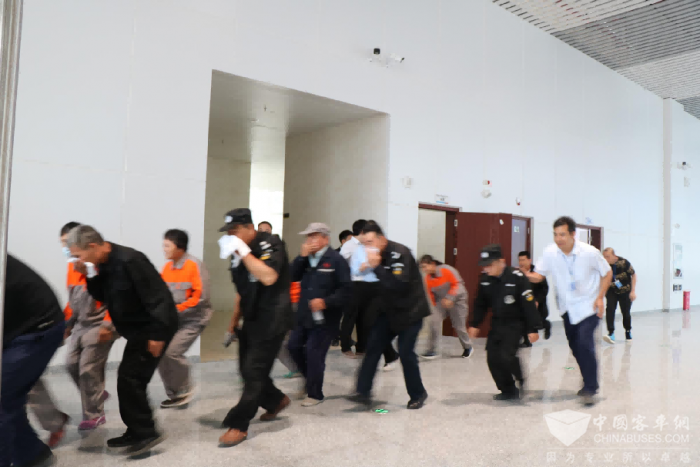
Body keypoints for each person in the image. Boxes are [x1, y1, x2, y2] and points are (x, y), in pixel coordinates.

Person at [67, 225, 178, 456]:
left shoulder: (131, 260)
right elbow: (101, 296)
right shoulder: (102, 264)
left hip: (152, 327)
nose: (76, 260)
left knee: (131, 379)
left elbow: (158, 298)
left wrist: (157, 335)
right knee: (128, 379)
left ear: (92, 246)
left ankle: (146, 432)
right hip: (137, 330)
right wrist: (89, 274)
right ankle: (137, 430)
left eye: (78, 255)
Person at [218, 208, 293, 447]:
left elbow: (268, 277)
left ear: (249, 228)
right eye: (228, 232)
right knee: (245, 369)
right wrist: (233, 324)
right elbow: (241, 293)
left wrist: (243, 251)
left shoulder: (270, 243)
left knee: (254, 372)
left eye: (235, 231)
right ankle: (276, 400)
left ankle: (239, 425)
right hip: (252, 318)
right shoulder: (237, 254)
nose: (231, 236)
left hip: (273, 319)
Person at [526, 216, 612, 405]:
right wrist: (522, 275)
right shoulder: (550, 252)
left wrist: (600, 297)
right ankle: (588, 380)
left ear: (573, 234)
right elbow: (539, 276)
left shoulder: (589, 252)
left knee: (585, 342)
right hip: (567, 309)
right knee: (576, 347)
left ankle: (591, 387)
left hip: (589, 307)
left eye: (563, 234)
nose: (559, 239)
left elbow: (607, 273)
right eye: (556, 234)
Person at [349, 222, 430, 410]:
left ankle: (418, 394)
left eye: (370, 242)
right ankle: (363, 391)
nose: (367, 247)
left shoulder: (400, 253)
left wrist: (376, 267)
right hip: (389, 312)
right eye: (364, 243)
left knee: (406, 352)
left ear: (382, 239)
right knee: (373, 347)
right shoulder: (375, 255)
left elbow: (398, 285)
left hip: (411, 313)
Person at [1, 254, 66, 467]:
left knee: (3, 397)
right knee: (8, 398)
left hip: (35, 328)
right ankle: (31, 454)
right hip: (15, 330)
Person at [60, 221, 117, 431]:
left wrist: (108, 325)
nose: (65, 248)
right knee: (70, 363)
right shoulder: (71, 267)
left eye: (67, 243)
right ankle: (96, 392)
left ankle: (94, 415)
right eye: (63, 243)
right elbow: (73, 301)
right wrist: (66, 325)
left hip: (99, 324)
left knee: (87, 368)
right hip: (80, 324)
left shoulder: (98, 265)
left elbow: (115, 299)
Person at [287, 223, 352, 406]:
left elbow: (347, 290)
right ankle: (309, 379)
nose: (310, 240)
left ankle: (315, 394)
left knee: (314, 353)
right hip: (304, 314)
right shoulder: (306, 258)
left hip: (326, 318)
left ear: (325, 238)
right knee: (292, 346)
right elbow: (291, 276)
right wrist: (301, 257)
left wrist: (326, 302)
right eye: (308, 237)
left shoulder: (336, 260)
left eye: (314, 236)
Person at [468, 245, 541, 400]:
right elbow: (480, 303)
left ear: (501, 262)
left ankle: (520, 379)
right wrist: (475, 324)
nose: (486, 268)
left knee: (507, 355)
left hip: (516, 323)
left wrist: (533, 328)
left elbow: (528, 304)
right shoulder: (485, 279)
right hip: (498, 322)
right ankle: (508, 390)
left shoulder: (517, 277)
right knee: (493, 358)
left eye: (489, 265)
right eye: (484, 265)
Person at [158, 229, 213, 408]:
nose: (164, 249)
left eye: (167, 245)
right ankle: (175, 395)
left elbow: (201, 298)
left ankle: (185, 388)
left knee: (172, 352)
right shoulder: (167, 268)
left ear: (179, 247)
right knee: (159, 351)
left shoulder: (194, 265)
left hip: (194, 319)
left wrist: (174, 310)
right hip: (174, 319)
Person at [349, 221, 400, 370]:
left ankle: (389, 355)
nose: (366, 241)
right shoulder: (358, 250)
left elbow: (388, 270)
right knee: (367, 326)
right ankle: (389, 355)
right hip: (363, 288)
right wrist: (364, 267)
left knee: (372, 324)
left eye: (369, 238)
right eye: (364, 237)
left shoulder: (383, 249)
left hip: (379, 288)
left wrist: (374, 265)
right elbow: (354, 271)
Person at [419, 255, 473, 359]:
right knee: (433, 321)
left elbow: (458, 285)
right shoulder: (428, 279)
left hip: (458, 300)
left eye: (425, 266)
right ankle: (431, 350)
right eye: (422, 267)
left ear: (432, 264)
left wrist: (450, 298)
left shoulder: (447, 270)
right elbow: (431, 296)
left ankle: (468, 347)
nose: (424, 270)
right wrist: (435, 310)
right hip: (442, 302)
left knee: (459, 326)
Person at [338, 219, 366, 357]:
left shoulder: (365, 245)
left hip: (364, 285)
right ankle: (345, 347)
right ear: (362, 231)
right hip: (352, 285)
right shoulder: (349, 245)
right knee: (350, 317)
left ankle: (361, 348)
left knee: (362, 318)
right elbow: (340, 264)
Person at [602, 248, 636, 343]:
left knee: (625, 312)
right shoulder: (604, 265)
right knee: (610, 309)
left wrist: (633, 291)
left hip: (625, 290)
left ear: (614, 255)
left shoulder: (624, 263)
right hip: (612, 290)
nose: (606, 259)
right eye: (604, 257)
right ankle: (611, 333)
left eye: (608, 257)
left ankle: (628, 331)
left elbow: (633, 275)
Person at [518, 251, 551, 344]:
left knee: (538, 323)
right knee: (525, 321)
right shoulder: (518, 273)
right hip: (524, 303)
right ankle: (526, 342)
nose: (521, 262)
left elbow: (544, 289)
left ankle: (546, 325)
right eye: (519, 260)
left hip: (538, 303)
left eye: (523, 260)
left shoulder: (538, 272)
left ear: (529, 260)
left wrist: (537, 300)